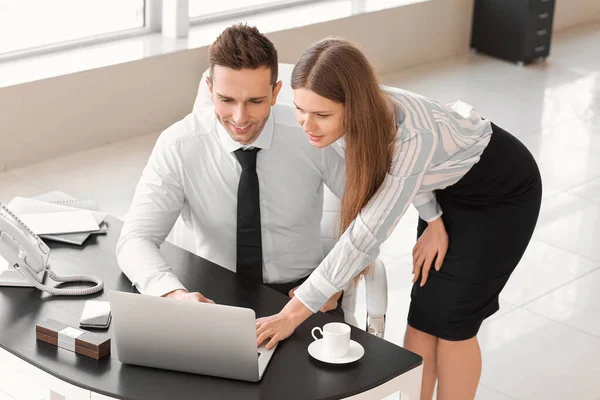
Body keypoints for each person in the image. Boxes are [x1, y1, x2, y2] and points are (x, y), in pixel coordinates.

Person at [256, 38, 542, 400]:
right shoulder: (357, 122)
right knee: (423, 317)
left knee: (454, 324)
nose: (307, 125)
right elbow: (407, 174)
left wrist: (292, 315)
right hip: (445, 189)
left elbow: (367, 232)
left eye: (322, 115)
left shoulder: (409, 133)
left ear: (354, 106)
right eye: (299, 109)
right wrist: (434, 219)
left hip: (502, 193)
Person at [116, 25, 346, 317]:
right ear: (210, 89)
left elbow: (370, 211)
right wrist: (173, 294)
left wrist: (334, 281)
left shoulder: (311, 134)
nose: (240, 118)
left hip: (302, 293)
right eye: (226, 100)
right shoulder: (179, 144)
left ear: (275, 93)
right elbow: (135, 239)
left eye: (255, 101)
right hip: (214, 293)